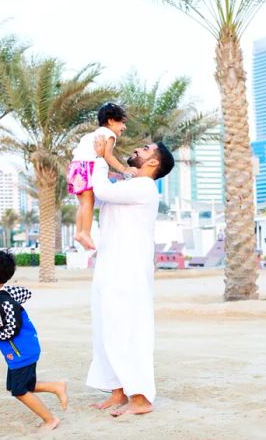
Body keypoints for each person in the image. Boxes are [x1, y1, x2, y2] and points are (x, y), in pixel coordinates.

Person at [86, 137, 175, 417]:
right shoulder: (130, 184)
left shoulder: (144, 187)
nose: (138, 149)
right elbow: (100, 193)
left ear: (153, 162)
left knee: (127, 330)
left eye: (146, 149)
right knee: (107, 328)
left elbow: (102, 189)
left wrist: (102, 157)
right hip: (110, 266)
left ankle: (140, 399)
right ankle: (118, 392)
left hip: (128, 270)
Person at [0, 249, 68, 432]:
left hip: (23, 350)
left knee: (19, 390)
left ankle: (50, 420)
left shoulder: (4, 301)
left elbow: (11, 330)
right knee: (21, 386)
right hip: (17, 350)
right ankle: (57, 386)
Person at [67, 102, 138, 250]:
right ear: (111, 121)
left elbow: (92, 159)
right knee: (89, 203)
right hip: (85, 167)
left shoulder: (90, 136)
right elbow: (108, 156)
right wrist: (124, 169)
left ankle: (79, 232)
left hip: (74, 168)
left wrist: (112, 173)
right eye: (122, 122)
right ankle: (86, 232)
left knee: (82, 203)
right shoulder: (109, 134)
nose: (124, 127)